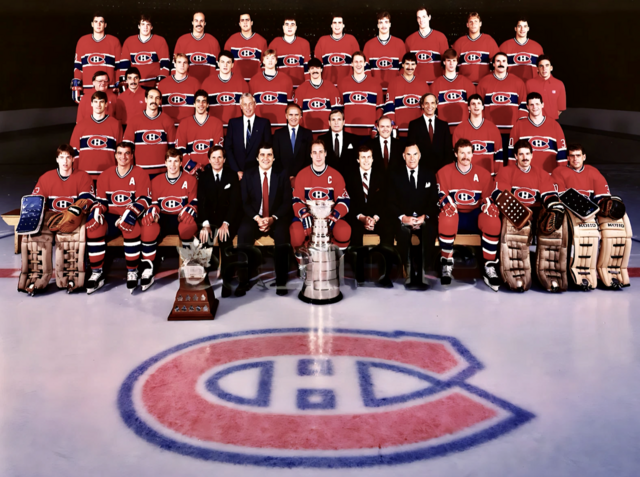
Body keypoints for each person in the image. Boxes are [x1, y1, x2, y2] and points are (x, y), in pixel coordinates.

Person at [18, 144, 95, 295]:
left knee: (71, 241)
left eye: (68, 157)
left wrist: (76, 210)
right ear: (57, 159)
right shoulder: (46, 177)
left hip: (71, 217)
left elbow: (87, 199)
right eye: (61, 157)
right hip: (51, 216)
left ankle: (71, 278)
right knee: (36, 238)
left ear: (73, 159)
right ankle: (35, 278)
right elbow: (36, 200)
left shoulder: (83, 176)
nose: (65, 161)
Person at [552, 144, 631, 290]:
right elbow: (562, 197)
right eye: (572, 156)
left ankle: (611, 273)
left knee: (616, 232)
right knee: (586, 236)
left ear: (584, 157)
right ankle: (581, 274)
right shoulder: (559, 172)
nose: (575, 159)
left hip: (592, 211)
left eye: (578, 156)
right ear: (567, 158)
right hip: (572, 213)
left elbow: (602, 197)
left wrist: (606, 207)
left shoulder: (592, 171)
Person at [492, 140, 563, 292]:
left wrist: (554, 208)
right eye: (521, 154)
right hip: (516, 212)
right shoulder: (506, 172)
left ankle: (551, 274)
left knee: (554, 229)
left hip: (536, 213)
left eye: (527, 154)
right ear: (516, 156)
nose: (525, 157)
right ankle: (517, 275)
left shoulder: (541, 174)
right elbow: (500, 195)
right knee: (515, 229)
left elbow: (549, 195)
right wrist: (521, 214)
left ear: (532, 155)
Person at [85, 142, 152, 293]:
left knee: (131, 227)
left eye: (127, 153)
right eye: (120, 153)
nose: (123, 156)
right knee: (94, 227)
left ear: (132, 156)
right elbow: (102, 201)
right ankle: (97, 272)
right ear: (115, 155)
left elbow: (145, 199)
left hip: (131, 215)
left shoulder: (140, 173)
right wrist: (97, 210)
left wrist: (131, 212)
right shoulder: (105, 175)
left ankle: (132, 271)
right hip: (112, 215)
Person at [436, 138, 501, 290]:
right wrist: (445, 202)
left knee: (493, 220)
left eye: (468, 153)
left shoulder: (483, 174)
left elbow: (486, 198)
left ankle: (489, 267)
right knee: (446, 217)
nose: (465, 156)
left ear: (473, 154)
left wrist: (487, 204)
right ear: (456, 154)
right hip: (456, 215)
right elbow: (441, 194)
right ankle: (446, 264)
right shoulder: (444, 172)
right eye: (462, 153)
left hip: (474, 215)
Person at [238, 143, 293, 296]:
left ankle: (281, 281)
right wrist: (257, 218)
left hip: (276, 216)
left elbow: (286, 202)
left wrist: (272, 219)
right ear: (257, 157)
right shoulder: (249, 175)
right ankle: (243, 281)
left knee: (282, 234)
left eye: (269, 154)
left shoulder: (282, 174)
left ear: (274, 158)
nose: (265, 158)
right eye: (262, 154)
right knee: (243, 232)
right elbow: (244, 202)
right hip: (254, 216)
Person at [140, 148, 198, 291]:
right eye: (170, 161)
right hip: (163, 217)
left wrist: (190, 209)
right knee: (148, 226)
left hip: (181, 217)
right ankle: (148, 267)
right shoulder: (156, 181)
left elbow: (194, 202)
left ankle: (189, 263)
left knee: (188, 225)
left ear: (181, 163)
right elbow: (154, 204)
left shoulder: (190, 180)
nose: (173, 165)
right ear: (165, 163)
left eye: (176, 161)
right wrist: (153, 211)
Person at [387, 143, 439, 289]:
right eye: (408, 154)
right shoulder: (395, 175)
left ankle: (423, 272)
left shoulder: (429, 173)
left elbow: (434, 201)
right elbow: (390, 202)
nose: (412, 158)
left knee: (429, 231)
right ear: (403, 156)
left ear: (419, 155)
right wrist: (403, 217)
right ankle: (408, 272)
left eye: (415, 154)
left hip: (423, 219)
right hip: (404, 219)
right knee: (402, 233)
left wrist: (424, 217)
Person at [345, 145, 394, 286]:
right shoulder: (350, 177)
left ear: (372, 159)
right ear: (358, 160)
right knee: (354, 232)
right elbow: (349, 203)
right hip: (358, 217)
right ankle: (359, 275)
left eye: (368, 157)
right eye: (363, 157)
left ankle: (384, 275)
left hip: (377, 217)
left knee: (388, 231)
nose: (366, 160)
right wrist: (362, 218)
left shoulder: (381, 176)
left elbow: (385, 202)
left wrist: (374, 219)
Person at [290, 139, 351, 251]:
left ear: (325, 153)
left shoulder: (336, 175)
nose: (318, 156)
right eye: (315, 152)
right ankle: (305, 260)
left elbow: (344, 200)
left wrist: (335, 215)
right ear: (310, 155)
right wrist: (304, 215)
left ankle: (334, 259)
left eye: (321, 152)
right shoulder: (302, 175)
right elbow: (296, 200)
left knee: (343, 231)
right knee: (296, 233)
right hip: (308, 217)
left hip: (329, 217)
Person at [197, 146, 242, 296]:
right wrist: (205, 225)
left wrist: (226, 223)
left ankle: (227, 281)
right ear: (209, 160)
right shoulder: (203, 177)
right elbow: (201, 203)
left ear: (224, 159)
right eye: (213, 157)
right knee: (204, 238)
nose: (216, 160)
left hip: (228, 218)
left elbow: (235, 203)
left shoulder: (232, 175)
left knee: (225, 238)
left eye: (219, 157)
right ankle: (203, 281)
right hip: (209, 219)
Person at [476, 52, 527, 153]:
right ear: (493, 64)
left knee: (510, 158)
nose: (501, 63)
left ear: (508, 64)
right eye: (498, 61)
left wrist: (518, 127)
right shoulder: (484, 82)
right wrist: (482, 126)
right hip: (490, 130)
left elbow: (523, 106)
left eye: (504, 61)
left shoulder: (518, 82)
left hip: (511, 131)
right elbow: (478, 106)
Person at [124, 87, 177, 176]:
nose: (154, 101)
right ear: (146, 99)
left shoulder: (168, 121)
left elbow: (172, 149)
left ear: (160, 101)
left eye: (157, 98)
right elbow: (127, 148)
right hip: (140, 171)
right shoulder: (134, 120)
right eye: (151, 97)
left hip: (162, 172)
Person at [509, 92, 567, 172]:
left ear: (542, 105)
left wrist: (562, 173)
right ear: (527, 106)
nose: (535, 107)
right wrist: (512, 173)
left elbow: (562, 154)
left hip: (549, 174)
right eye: (531, 105)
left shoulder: (554, 125)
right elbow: (512, 154)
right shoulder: (518, 125)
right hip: (526, 174)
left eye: (537, 104)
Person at [70, 91, 123, 178]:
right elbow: (74, 153)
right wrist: (75, 175)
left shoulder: (115, 124)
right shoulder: (80, 125)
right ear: (91, 104)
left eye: (101, 102)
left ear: (106, 104)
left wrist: (119, 174)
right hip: (85, 176)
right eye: (95, 102)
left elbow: (121, 152)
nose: (98, 105)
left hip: (109, 175)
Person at [452, 94, 504, 175]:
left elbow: (499, 156)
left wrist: (499, 175)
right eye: (473, 104)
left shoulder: (493, 129)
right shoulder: (459, 129)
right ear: (468, 107)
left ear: (483, 107)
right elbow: (455, 157)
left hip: (488, 176)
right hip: (466, 175)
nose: (476, 106)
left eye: (479, 103)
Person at [72, 13, 121, 99]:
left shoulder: (114, 41)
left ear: (105, 25)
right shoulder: (82, 41)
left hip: (109, 90)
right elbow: (78, 67)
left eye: (101, 22)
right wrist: (77, 87)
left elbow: (119, 67)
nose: (98, 24)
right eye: (96, 21)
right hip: (88, 90)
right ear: (92, 24)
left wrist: (118, 84)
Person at [175, 90, 224, 174]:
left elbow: (218, 150)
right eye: (198, 101)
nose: (201, 104)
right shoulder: (184, 123)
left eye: (204, 101)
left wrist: (209, 168)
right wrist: (193, 167)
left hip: (210, 171)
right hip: (190, 172)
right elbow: (179, 150)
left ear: (207, 104)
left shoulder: (217, 123)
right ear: (194, 104)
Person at [225, 93, 272, 179]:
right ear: (241, 106)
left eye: (250, 104)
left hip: (257, 174)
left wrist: (259, 170)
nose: (248, 107)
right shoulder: (233, 123)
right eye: (245, 104)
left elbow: (267, 149)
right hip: (237, 174)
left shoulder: (264, 123)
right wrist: (236, 170)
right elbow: (228, 148)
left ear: (255, 105)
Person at [338, 51, 384, 136]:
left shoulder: (375, 84)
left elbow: (379, 108)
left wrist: (376, 127)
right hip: (348, 131)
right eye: (356, 62)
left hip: (369, 131)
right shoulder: (343, 83)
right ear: (351, 64)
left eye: (360, 61)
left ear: (365, 63)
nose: (358, 64)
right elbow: (339, 108)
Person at [201, 50, 250, 129]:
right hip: (213, 127)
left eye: (228, 62)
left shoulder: (241, 82)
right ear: (218, 64)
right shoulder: (207, 83)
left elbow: (247, 108)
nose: (225, 65)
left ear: (232, 65)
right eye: (222, 62)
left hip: (236, 128)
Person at [292, 58, 342, 136]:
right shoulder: (301, 89)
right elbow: (297, 113)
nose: (315, 71)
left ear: (321, 69)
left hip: (326, 133)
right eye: (312, 68)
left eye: (317, 68)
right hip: (306, 133)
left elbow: (336, 113)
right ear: (308, 70)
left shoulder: (331, 87)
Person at [430, 48, 476, 131]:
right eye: (448, 60)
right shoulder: (435, 84)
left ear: (457, 62)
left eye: (454, 60)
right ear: (444, 62)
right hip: (443, 129)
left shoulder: (467, 83)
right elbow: (431, 110)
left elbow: (474, 108)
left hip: (463, 128)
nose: (451, 63)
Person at [407, 93, 454, 173]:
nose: (430, 106)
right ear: (422, 105)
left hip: (441, 170)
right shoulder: (414, 125)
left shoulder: (443, 125)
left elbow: (448, 151)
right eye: (426, 103)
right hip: (421, 170)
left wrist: (443, 170)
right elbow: (412, 149)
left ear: (436, 105)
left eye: (432, 103)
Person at [119, 15, 170, 88]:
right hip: (135, 84)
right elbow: (124, 65)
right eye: (143, 24)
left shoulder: (160, 41)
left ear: (151, 27)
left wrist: (162, 81)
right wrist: (124, 81)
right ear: (139, 26)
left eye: (148, 24)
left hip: (153, 84)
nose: (145, 27)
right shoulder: (129, 41)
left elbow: (165, 64)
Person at [384, 53, 429, 136]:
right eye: (407, 64)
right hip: (400, 131)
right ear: (403, 65)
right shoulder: (394, 83)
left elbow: (426, 109)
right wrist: (392, 126)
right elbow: (389, 107)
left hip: (418, 131)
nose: (410, 67)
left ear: (416, 65)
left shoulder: (423, 84)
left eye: (412, 64)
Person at [249, 49, 294, 131]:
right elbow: (251, 105)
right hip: (259, 126)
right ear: (263, 61)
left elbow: (290, 105)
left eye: (273, 58)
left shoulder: (287, 79)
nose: (270, 61)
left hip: (281, 125)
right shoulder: (254, 80)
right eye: (267, 58)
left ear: (276, 61)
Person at [363, 12, 407, 91]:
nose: (383, 25)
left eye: (386, 22)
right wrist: (372, 85)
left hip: (395, 89)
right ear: (377, 25)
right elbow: (365, 69)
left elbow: (403, 68)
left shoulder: (399, 43)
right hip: (374, 89)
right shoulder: (369, 45)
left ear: (390, 24)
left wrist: (397, 84)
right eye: (381, 22)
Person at [172, 12, 220, 84]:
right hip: (187, 84)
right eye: (196, 20)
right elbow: (174, 66)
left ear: (205, 23)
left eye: (201, 21)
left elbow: (219, 67)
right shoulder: (182, 40)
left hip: (209, 84)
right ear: (192, 22)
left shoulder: (213, 41)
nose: (199, 23)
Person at [452, 12, 499, 84]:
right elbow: (452, 65)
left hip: (484, 83)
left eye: (476, 21)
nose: (473, 24)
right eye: (471, 22)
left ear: (480, 24)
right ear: (467, 25)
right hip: (464, 84)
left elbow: (497, 64)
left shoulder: (489, 41)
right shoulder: (459, 42)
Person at [405, 8, 449, 85]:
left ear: (429, 17)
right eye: (419, 17)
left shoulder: (441, 37)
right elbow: (405, 66)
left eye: (424, 17)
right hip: (416, 84)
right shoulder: (409, 40)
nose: (421, 20)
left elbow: (446, 64)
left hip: (435, 83)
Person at [272, 103, 313, 184]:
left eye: (296, 115)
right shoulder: (278, 134)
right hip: (282, 177)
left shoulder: (307, 134)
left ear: (301, 116)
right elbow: (276, 158)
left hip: (302, 176)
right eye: (291, 114)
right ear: (286, 116)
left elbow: (309, 158)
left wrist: (299, 175)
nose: (293, 117)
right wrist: (286, 175)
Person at [314, 16, 360, 86]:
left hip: (348, 85)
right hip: (327, 85)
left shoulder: (351, 40)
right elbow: (316, 67)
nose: (337, 25)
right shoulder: (322, 41)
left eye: (339, 22)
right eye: (335, 23)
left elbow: (358, 65)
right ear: (331, 25)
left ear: (343, 25)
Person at [157, 53, 201, 128]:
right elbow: (158, 107)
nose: (182, 65)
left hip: (189, 126)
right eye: (179, 62)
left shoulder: (195, 83)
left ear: (188, 65)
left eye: (185, 62)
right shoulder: (162, 84)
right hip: (168, 126)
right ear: (175, 64)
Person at [223, 13, 268, 81]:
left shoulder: (261, 41)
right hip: (236, 81)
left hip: (256, 81)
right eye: (242, 20)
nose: (245, 22)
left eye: (247, 20)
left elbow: (265, 65)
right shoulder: (231, 40)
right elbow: (225, 63)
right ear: (239, 24)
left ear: (251, 22)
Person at [268, 17, 311, 88]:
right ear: (283, 27)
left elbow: (307, 67)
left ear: (296, 27)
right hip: (280, 86)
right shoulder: (275, 43)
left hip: (300, 85)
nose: (289, 27)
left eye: (292, 24)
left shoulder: (304, 43)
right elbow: (269, 66)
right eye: (287, 24)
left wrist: (307, 84)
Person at [499, 17, 544, 82]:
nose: (522, 29)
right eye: (519, 26)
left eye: (525, 26)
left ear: (528, 29)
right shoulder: (505, 46)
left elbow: (543, 69)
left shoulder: (537, 47)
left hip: (532, 85)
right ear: (515, 28)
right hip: (510, 84)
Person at [318, 109, 360, 175]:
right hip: (328, 176)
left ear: (343, 122)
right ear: (329, 122)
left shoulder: (353, 139)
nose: (336, 122)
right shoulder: (321, 139)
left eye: (339, 119)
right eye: (333, 120)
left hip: (348, 177)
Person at [525, 54, 566, 120]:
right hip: (533, 122)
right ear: (537, 69)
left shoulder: (559, 84)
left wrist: (548, 121)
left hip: (552, 122)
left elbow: (560, 109)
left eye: (547, 65)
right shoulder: (529, 84)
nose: (544, 69)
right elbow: (525, 106)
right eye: (541, 66)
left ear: (551, 68)